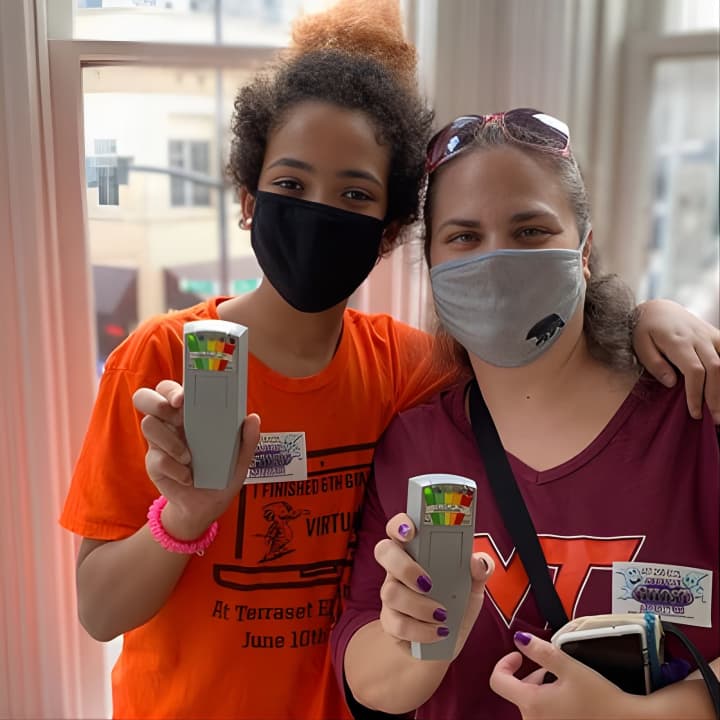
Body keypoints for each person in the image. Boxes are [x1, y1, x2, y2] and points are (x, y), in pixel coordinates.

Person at [59, 1, 718, 714]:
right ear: (248, 199)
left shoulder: (406, 369)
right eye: (291, 185)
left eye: (354, 193)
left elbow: (528, 356)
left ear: (388, 230)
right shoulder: (164, 360)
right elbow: (98, 612)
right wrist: (184, 517)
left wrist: (652, 315)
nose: (319, 212)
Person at [335, 109, 720, 720]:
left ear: (583, 251)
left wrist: (640, 716)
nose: (497, 260)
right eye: (464, 237)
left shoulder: (698, 411)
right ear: (433, 267)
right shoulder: (413, 445)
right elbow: (369, 680)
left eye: (531, 230)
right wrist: (417, 636)